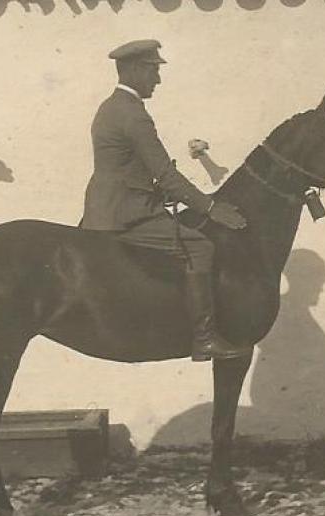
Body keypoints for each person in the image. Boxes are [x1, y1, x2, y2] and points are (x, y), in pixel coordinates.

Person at [79, 39, 248, 362]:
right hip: (125, 215)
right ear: (133, 70)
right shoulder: (132, 114)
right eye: (153, 70)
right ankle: (205, 339)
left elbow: (130, 170)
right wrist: (212, 209)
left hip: (107, 207)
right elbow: (165, 175)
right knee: (200, 247)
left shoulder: (110, 107)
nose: (157, 79)